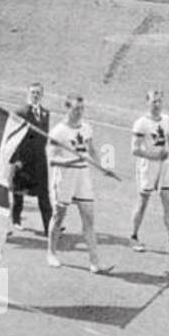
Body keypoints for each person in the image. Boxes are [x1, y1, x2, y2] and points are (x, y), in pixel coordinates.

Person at [46, 95, 111, 273]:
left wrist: (101, 167)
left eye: (82, 108)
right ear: (67, 108)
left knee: (89, 218)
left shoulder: (87, 128)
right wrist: (71, 161)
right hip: (65, 177)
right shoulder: (58, 131)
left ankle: (94, 261)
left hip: (83, 178)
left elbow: (92, 150)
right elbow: (51, 159)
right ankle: (51, 252)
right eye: (76, 108)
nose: (80, 112)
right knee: (59, 216)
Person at [129, 90, 169, 258]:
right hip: (148, 166)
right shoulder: (141, 124)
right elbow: (134, 150)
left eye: (159, 101)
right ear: (147, 103)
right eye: (153, 102)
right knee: (143, 204)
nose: (157, 105)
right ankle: (133, 237)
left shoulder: (166, 120)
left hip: (165, 166)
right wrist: (154, 156)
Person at [10, 82, 53, 235]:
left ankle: (49, 226)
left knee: (44, 193)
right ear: (28, 93)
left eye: (38, 93)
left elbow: (44, 136)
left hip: (40, 159)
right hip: (24, 159)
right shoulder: (20, 112)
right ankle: (15, 218)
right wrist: (17, 159)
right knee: (19, 191)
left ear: (42, 95)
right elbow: (14, 137)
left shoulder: (46, 113)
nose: (35, 95)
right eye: (33, 92)